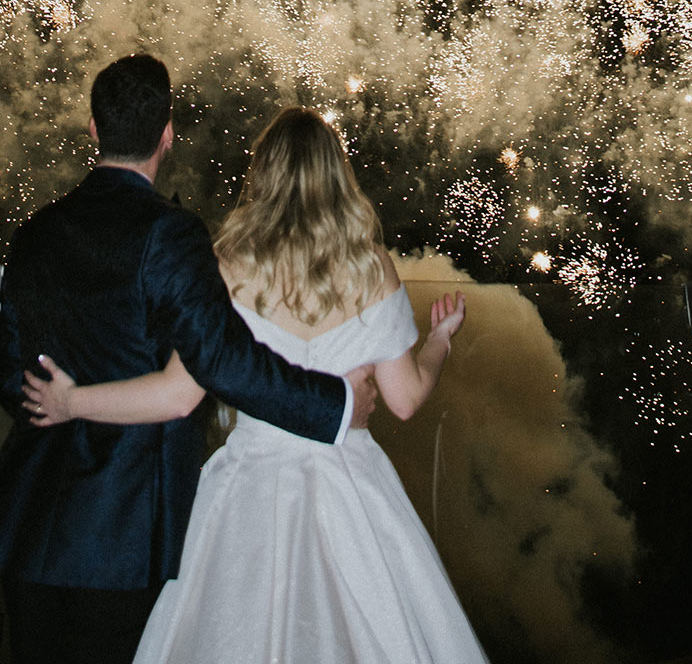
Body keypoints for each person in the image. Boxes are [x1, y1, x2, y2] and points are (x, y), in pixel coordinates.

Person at [24, 105, 489, 664]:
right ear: (337, 174)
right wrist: (439, 340)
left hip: (250, 484)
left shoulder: (228, 266)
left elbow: (177, 394)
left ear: (261, 175)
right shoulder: (372, 267)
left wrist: (71, 400)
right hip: (353, 488)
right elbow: (406, 400)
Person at [0, 58, 376, 664]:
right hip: (125, 532)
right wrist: (334, 404)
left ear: (94, 129)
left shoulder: (36, 232)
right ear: (167, 134)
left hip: (30, 524)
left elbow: (10, 379)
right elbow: (222, 360)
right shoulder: (172, 234)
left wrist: (68, 402)